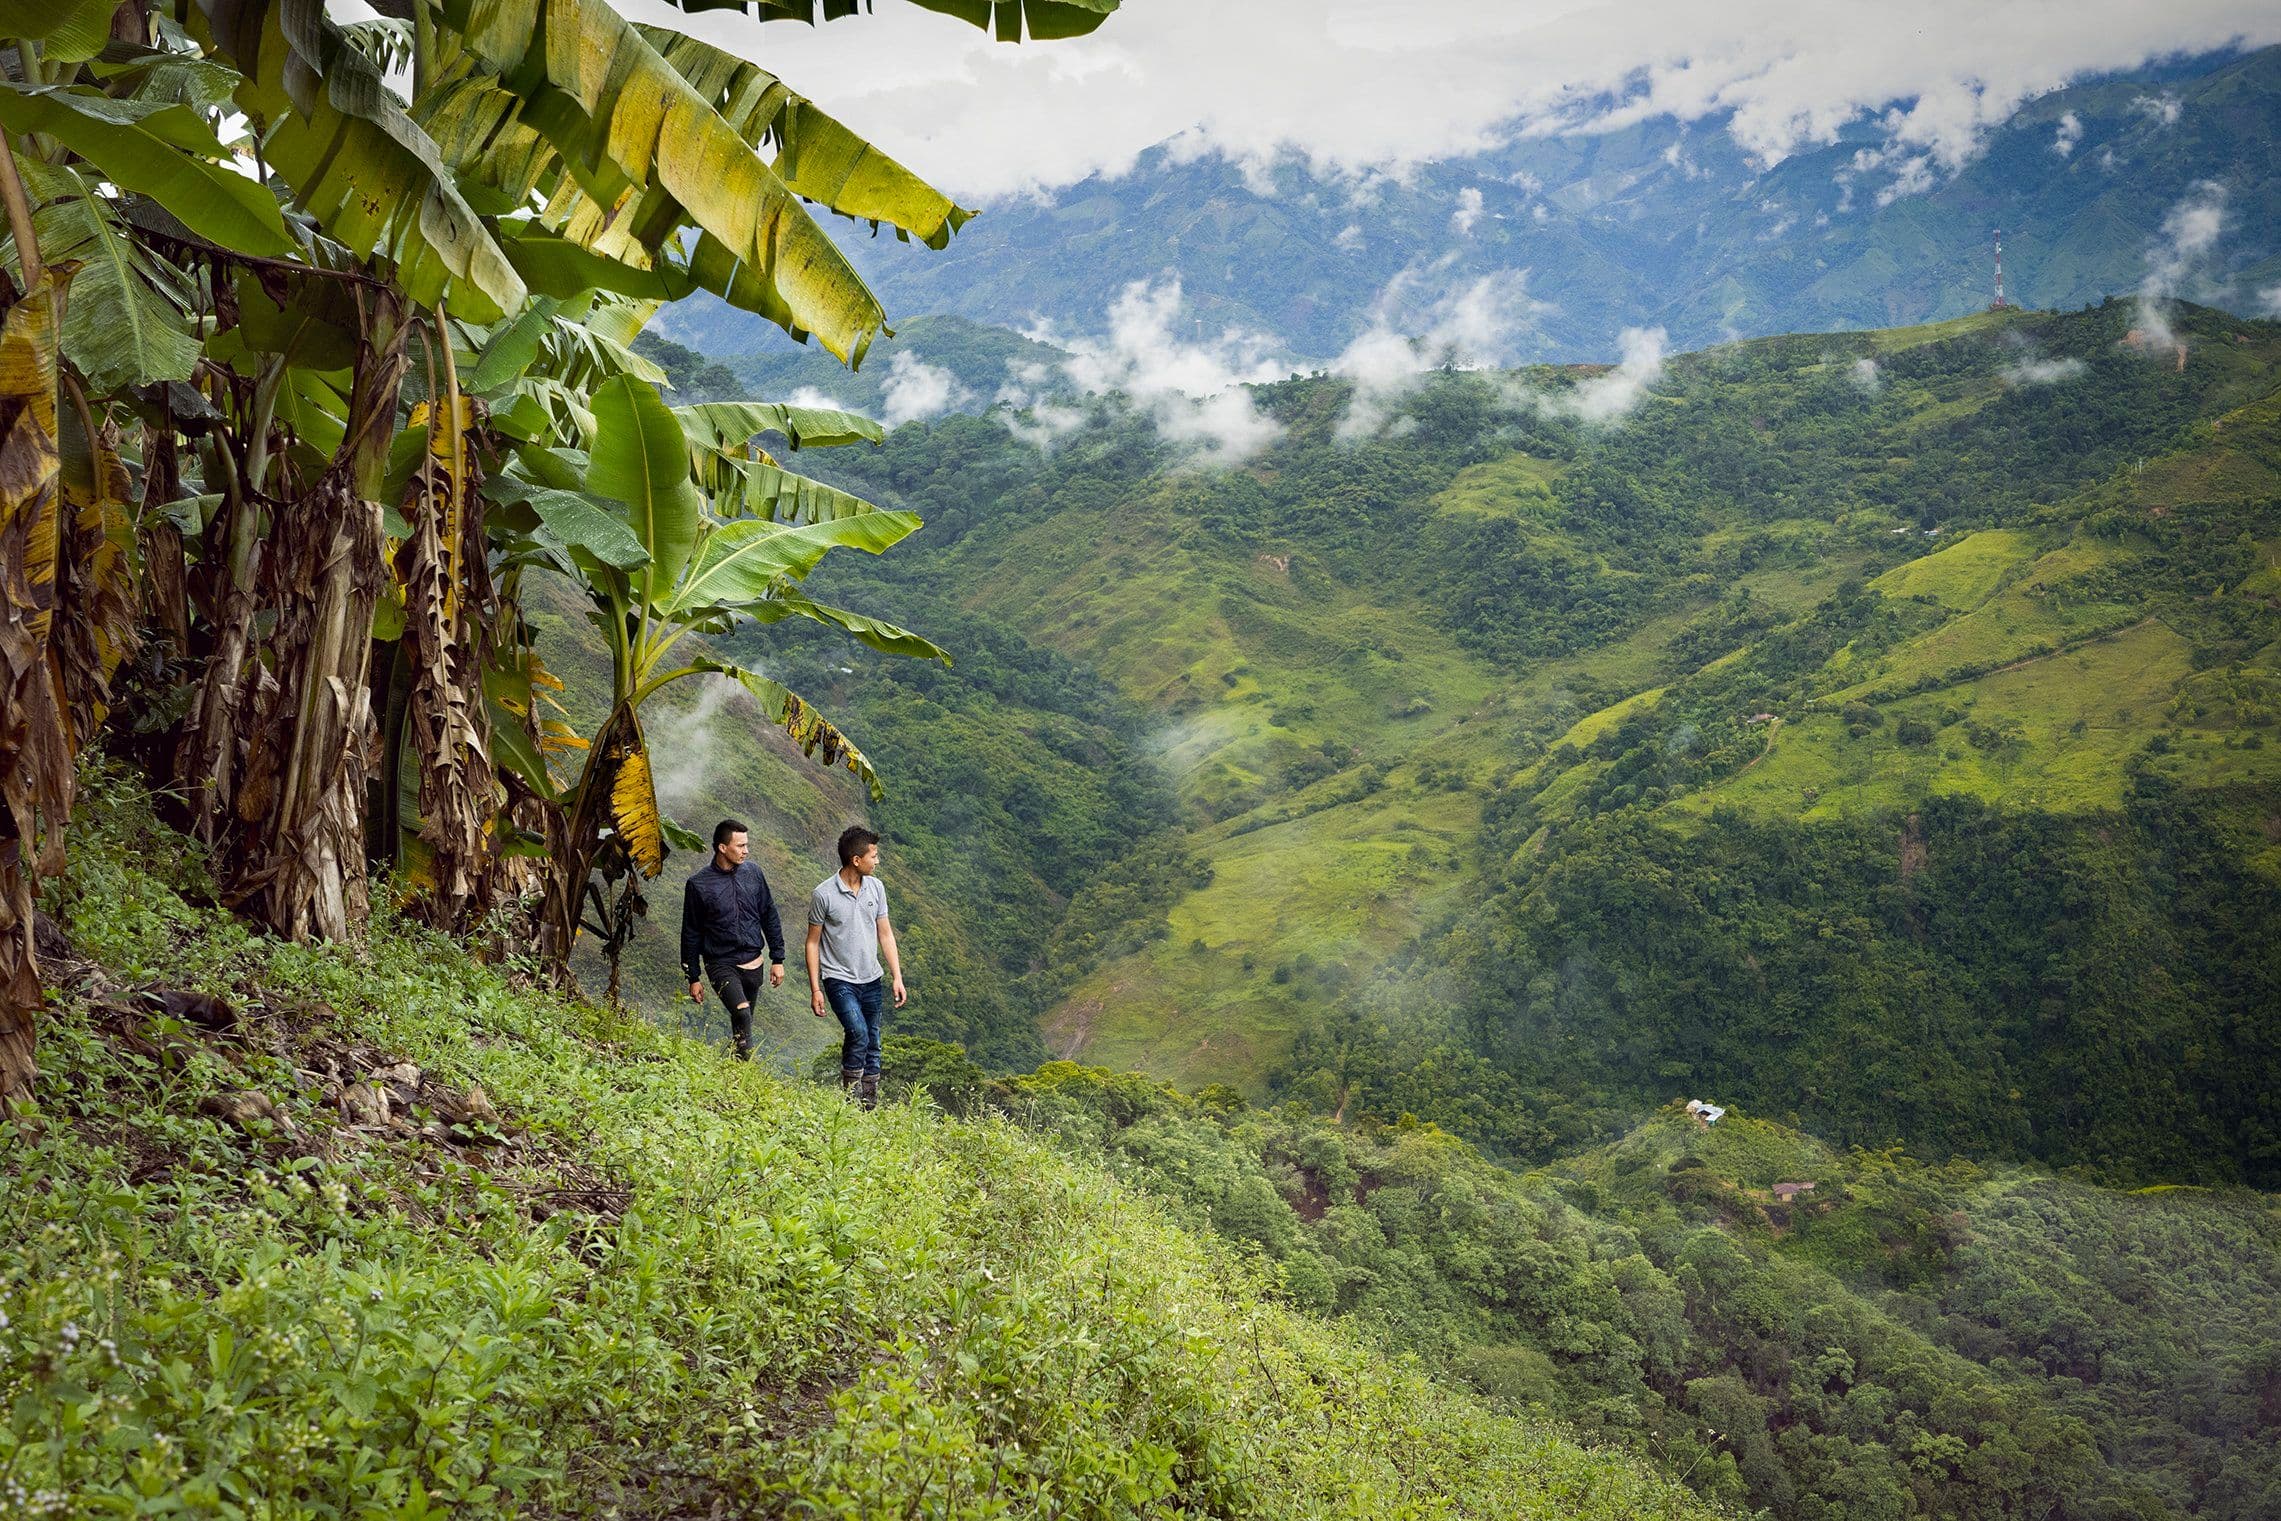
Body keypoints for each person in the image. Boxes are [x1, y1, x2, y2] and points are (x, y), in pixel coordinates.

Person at [806, 825, 905, 1108]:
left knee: (873, 1038)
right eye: (873, 855)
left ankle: (869, 1105)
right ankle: (851, 1097)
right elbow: (812, 942)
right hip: (838, 978)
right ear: (856, 859)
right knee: (859, 1032)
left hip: (871, 977)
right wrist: (816, 988)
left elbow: (885, 933)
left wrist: (896, 976)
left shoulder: (876, 887)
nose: (878, 861)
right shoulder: (823, 894)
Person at [679, 819, 785, 1060]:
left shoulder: (754, 873)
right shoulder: (698, 884)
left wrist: (777, 958)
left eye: (747, 845)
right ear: (722, 847)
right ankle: (746, 1070)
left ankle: (733, 1068)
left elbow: (769, 914)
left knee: (743, 1025)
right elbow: (691, 932)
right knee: (742, 1013)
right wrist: (693, 976)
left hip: (754, 963)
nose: (746, 851)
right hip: (720, 962)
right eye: (740, 846)